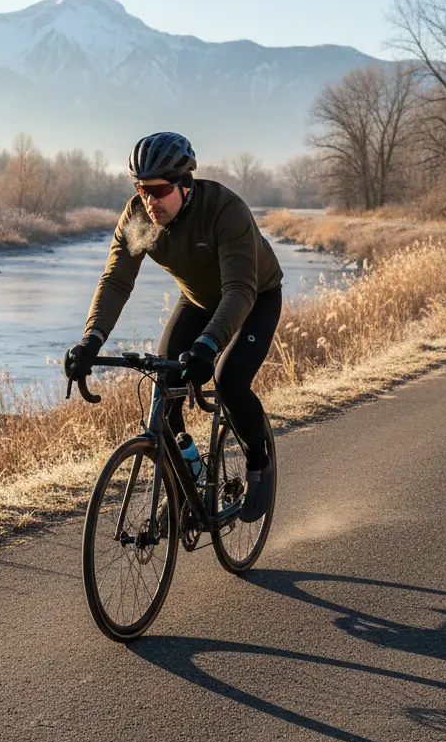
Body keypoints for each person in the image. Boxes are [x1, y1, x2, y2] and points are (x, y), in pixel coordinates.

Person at [66, 131, 283, 522]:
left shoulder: (224, 211)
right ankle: (190, 481)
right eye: (142, 189)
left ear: (186, 184)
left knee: (229, 379)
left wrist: (208, 345)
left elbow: (239, 290)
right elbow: (116, 281)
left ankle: (258, 463)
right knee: (163, 395)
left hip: (254, 297)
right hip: (199, 300)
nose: (150, 200)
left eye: (160, 190)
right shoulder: (138, 218)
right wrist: (90, 340)